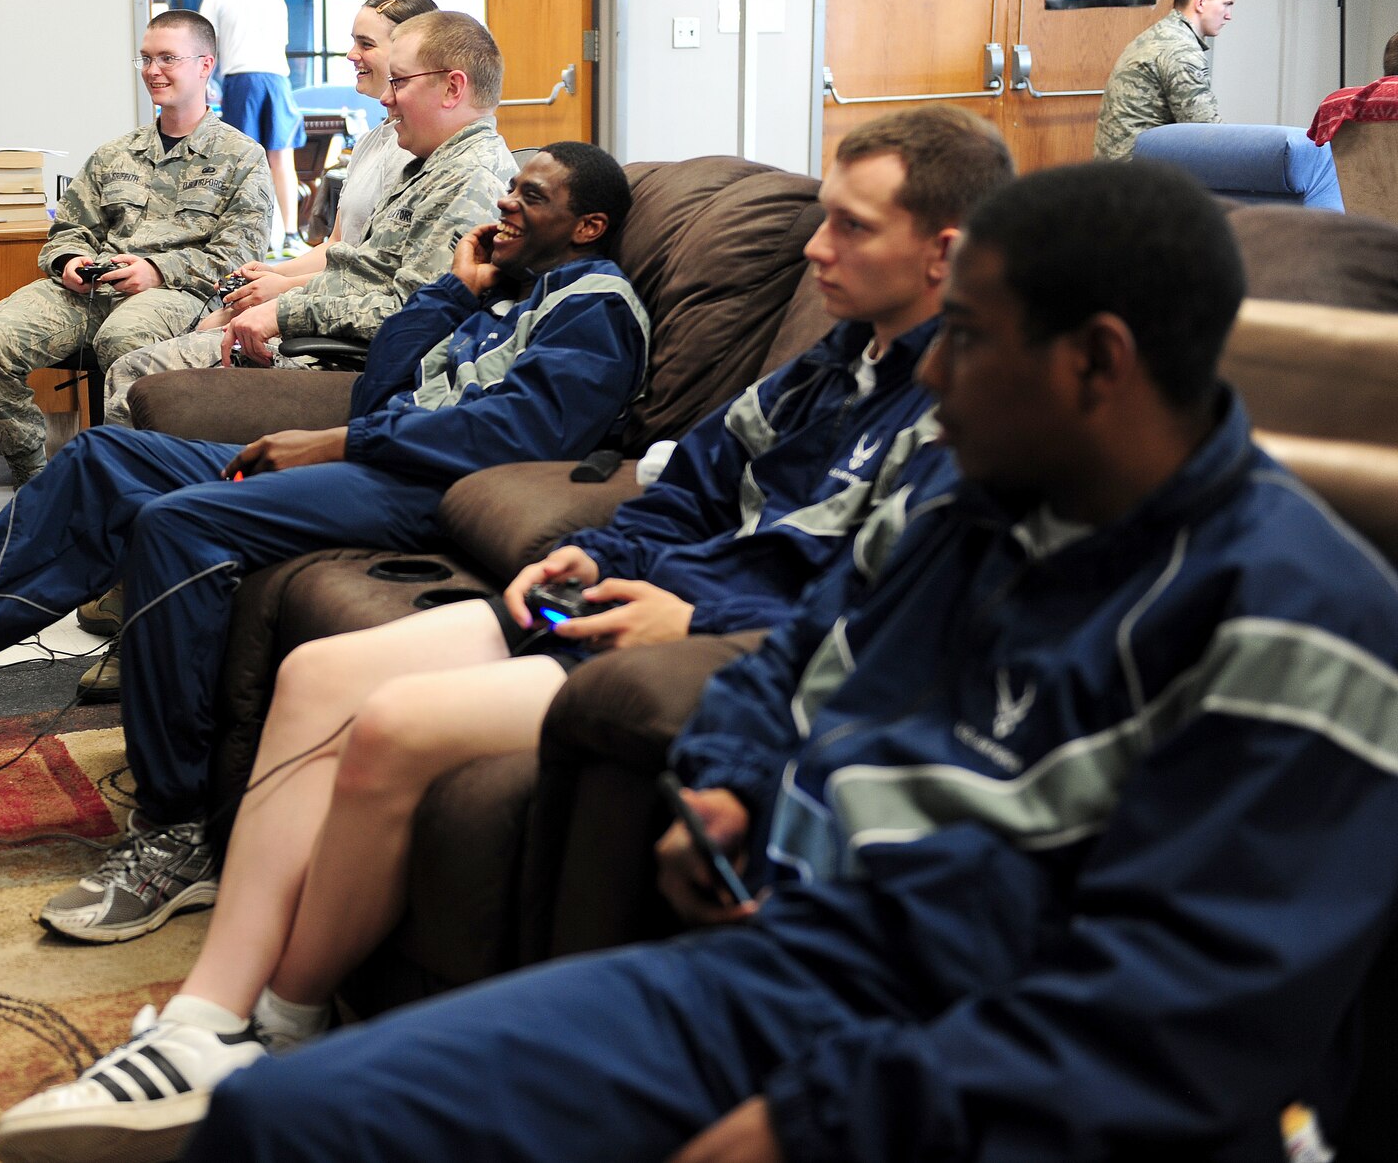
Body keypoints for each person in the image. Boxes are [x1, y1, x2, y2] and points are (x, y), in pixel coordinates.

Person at [181, 159, 1398, 1163]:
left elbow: (1169, 1029)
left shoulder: (1297, 618)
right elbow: (797, 660)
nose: (926, 374)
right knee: (277, 1119)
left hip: (1012, 1075)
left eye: (965, 340)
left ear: (1096, 364)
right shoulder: (966, 506)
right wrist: (728, 775)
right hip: (797, 980)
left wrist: (819, 1119)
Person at [0, 106, 1017, 1163]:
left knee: (390, 721)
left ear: (942, 252)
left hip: (703, 637)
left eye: (849, 227)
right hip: (640, 598)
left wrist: (696, 613)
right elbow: (692, 482)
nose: (813, 245)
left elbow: (881, 594)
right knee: (317, 671)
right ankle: (205, 1021)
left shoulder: (971, 404)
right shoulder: (831, 360)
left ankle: (283, 1025)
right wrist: (602, 556)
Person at [0, 144, 649, 944]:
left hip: (424, 492)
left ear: (588, 226)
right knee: (105, 457)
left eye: (529, 196)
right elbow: (381, 386)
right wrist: (452, 293)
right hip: (385, 457)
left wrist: (340, 443)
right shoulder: (503, 290)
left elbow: (518, 434)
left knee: (179, 521)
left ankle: (181, 827)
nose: (504, 203)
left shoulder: (597, 311)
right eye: (511, 188)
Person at [101, 9, 517, 412]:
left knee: (138, 377)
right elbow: (356, 269)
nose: (387, 98)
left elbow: (413, 314)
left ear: (452, 88)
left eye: (400, 82)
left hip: (349, 362)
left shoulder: (469, 181)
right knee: (152, 358)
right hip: (324, 328)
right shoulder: (427, 165)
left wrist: (282, 311)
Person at [0, 9, 273, 486]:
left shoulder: (241, 157)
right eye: (145, 59)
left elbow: (239, 258)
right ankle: (37, 477)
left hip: (179, 294)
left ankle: (129, 483)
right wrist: (69, 261)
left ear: (205, 66)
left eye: (168, 58)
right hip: (89, 289)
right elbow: (66, 229)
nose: (153, 71)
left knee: (124, 343)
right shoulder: (115, 153)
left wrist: (156, 271)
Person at [199, 0, 306, 246]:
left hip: (242, 79)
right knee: (282, 159)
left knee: (244, 161)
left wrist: (206, 83)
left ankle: (251, 238)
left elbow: (206, 44)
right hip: (277, 79)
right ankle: (291, 234)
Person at [1094, 0, 1240, 160]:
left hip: (1119, 172)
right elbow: (1208, 134)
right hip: (1141, 179)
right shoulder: (1180, 49)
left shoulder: (1160, 35)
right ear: (1201, 2)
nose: (1228, 16)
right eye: (1226, 5)